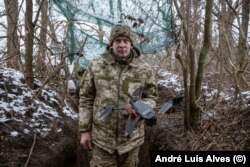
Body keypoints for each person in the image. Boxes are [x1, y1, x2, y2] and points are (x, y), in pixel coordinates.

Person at [78, 23, 158, 167]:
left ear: (131, 44)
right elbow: (86, 98)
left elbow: (152, 97)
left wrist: (141, 108)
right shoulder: (96, 66)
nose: (122, 45)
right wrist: (84, 130)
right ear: (111, 44)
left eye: (126, 41)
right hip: (102, 140)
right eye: (117, 41)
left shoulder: (144, 69)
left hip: (131, 140)